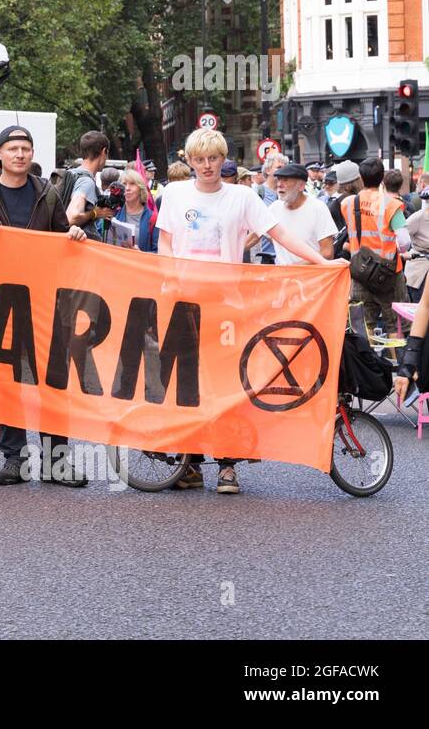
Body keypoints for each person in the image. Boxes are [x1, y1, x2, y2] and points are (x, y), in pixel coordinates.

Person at [156, 128, 340, 495]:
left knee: (226, 384)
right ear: (189, 162)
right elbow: (165, 241)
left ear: (223, 159)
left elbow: (281, 235)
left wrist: (321, 262)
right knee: (187, 386)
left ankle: (227, 465)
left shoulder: (241, 197)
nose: (207, 166)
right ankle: (190, 463)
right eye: (199, 160)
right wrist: (168, 279)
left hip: (227, 305)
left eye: (213, 159)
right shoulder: (174, 195)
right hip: (185, 305)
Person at [0, 125, 91, 485]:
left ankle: (57, 462)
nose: (20, 154)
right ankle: (14, 460)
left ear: (32, 154)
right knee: (7, 382)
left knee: (52, 381)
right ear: (1, 154)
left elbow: (62, 241)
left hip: (43, 299)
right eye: (13, 148)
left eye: (25, 148)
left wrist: (74, 234)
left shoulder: (49, 193)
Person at [341, 157, 411, 345]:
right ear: (382, 178)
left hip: (359, 273)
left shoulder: (348, 204)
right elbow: (404, 242)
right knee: (394, 326)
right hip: (388, 275)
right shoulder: (391, 204)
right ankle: (395, 369)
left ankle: (368, 370)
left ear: (361, 178)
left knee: (363, 325)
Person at [268, 163, 337, 265]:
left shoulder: (318, 208)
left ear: (301, 186)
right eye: (279, 179)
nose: (279, 184)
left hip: (311, 278)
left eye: (285, 180)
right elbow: (257, 235)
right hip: (282, 277)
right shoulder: (274, 208)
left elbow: (327, 253)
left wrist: (295, 267)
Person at [65, 130, 111, 230]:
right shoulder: (87, 181)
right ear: (103, 152)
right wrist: (95, 213)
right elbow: (72, 217)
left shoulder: (71, 173)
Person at [109, 169, 157, 252]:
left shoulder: (152, 218)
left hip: (140, 264)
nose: (127, 188)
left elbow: (159, 252)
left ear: (140, 188)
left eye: (132, 184)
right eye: (124, 184)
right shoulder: (113, 213)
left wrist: (141, 254)